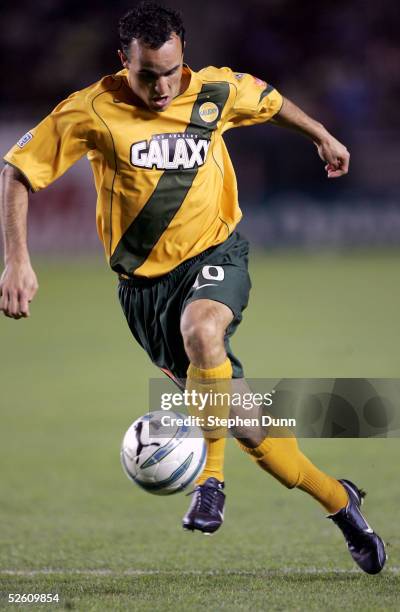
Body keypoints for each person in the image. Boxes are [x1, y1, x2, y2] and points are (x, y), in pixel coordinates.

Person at [0, 1, 386, 574]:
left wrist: (322, 135)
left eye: (171, 71)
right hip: (143, 294)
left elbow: (273, 102)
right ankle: (340, 501)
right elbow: (17, 171)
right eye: (147, 75)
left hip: (216, 253)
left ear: (185, 55)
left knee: (202, 325)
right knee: (252, 428)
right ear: (122, 62)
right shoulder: (92, 111)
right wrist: (17, 261)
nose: (161, 87)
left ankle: (210, 482)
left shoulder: (214, 92)